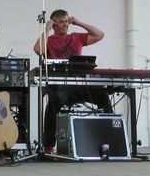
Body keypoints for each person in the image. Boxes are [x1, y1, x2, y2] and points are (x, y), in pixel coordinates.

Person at [32, 9, 111, 154]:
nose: (66, 25)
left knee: (103, 96)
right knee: (53, 103)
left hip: (79, 86)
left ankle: (109, 142)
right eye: (61, 22)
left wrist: (79, 23)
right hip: (59, 87)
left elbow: (100, 35)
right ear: (54, 25)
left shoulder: (77, 37)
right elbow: (37, 49)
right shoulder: (49, 40)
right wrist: (47, 29)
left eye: (67, 21)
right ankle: (49, 146)